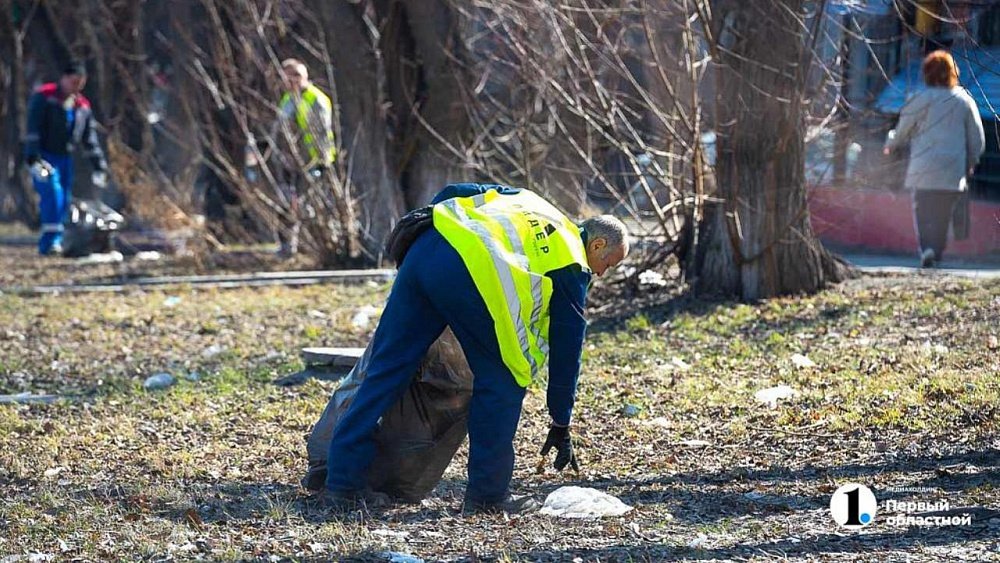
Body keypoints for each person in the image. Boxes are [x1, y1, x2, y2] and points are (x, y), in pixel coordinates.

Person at [321, 183, 629, 514]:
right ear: (597, 245)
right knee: (503, 379)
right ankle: (488, 496)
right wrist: (560, 421)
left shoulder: (533, 202)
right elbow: (568, 344)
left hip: (427, 247)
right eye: (607, 264)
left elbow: (455, 190)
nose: (601, 273)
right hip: (470, 274)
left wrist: (435, 227)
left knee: (386, 367)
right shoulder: (572, 261)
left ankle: (343, 483)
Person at [884, 50, 985, 268]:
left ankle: (926, 248)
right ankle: (936, 252)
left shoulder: (918, 98)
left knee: (922, 209)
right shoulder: (964, 100)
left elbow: (902, 131)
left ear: (926, 73)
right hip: (952, 168)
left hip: (923, 166)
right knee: (943, 213)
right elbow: (977, 138)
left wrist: (890, 143)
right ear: (952, 73)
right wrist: (972, 161)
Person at [23, 61, 108, 256]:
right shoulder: (45, 97)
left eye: (80, 83)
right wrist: (33, 158)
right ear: (63, 78)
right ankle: (49, 243)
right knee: (52, 194)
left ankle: (59, 241)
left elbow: (89, 139)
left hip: (65, 159)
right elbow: (33, 128)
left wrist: (98, 166)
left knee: (63, 200)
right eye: (73, 81)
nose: (76, 87)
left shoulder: (82, 106)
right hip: (44, 156)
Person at [271, 58, 337, 258]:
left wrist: (316, 162)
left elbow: (321, 134)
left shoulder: (316, 99)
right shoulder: (288, 99)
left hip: (312, 163)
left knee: (309, 207)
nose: (291, 81)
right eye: (287, 77)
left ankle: (315, 247)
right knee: (286, 205)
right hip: (290, 164)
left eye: (295, 76)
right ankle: (287, 248)